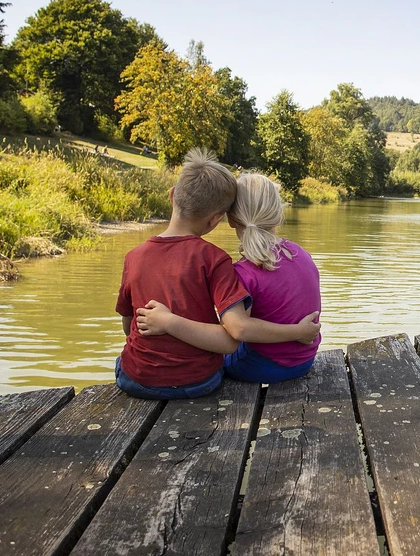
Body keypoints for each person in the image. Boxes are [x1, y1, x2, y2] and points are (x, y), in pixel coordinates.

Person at [115, 150, 318, 400]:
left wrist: (167, 323)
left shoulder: (133, 257)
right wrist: (299, 332)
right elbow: (233, 336)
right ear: (216, 220)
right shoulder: (298, 254)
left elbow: (129, 327)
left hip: (139, 379)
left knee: (124, 359)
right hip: (289, 364)